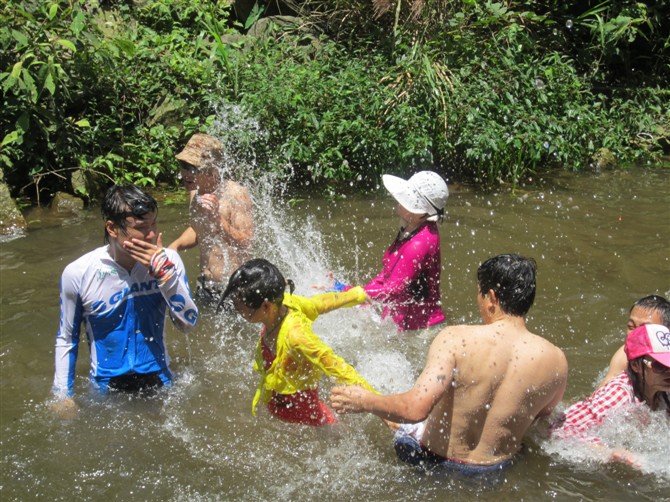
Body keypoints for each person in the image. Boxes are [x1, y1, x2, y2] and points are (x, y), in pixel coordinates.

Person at [330, 254, 568, 480]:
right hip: (496, 471)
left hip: (433, 463)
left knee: (386, 403)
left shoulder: (456, 339)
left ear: (492, 297)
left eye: (479, 294)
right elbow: (540, 420)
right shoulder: (556, 360)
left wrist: (364, 402)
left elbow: (415, 410)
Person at [51, 185, 198, 417]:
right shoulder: (79, 272)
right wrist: (62, 396)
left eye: (153, 225)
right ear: (112, 228)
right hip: (105, 388)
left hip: (160, 379)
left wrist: (166, 278)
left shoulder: (169, 261)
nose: (151, 235)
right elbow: (67, 339)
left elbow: (188, 325)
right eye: (141, 228)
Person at [218, 258, 377, 426]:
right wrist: (355, 295)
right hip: (280, 404)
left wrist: (379, 405)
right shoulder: (283, 303)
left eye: (241, 305)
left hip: (307, 415)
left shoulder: (296, 337)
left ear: (265, 307)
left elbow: (337, 367)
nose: (236, 308)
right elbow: (318, 304)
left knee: (333, 433)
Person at [331, 171, 448, 331]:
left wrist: (345, 293)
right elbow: (386, 276)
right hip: (406, 322)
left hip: (418, 331)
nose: (399, 200)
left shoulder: (419, 244)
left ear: (420, 212)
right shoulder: (413, 228)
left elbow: (392, 291)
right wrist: (354, 294)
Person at [551, 324, 670, 466]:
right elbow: (561, 429)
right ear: (635, 366)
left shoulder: (663, 392)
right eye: (660, 366)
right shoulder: (619, 394)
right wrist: (606, 453)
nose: (668, 371)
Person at [168, 133, 254, 304]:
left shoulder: (234, 194)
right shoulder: (195, 192)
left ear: (212, 169)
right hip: (205, 284)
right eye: (183, 165)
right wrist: (175, 246)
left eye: (193, 168)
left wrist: (218, 221)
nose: (185, 173)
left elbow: (247, 241)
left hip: (232, 287)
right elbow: (198, 228)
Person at [599, 295, 670, 387]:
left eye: (644, 328)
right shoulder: (624, 357)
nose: (635, 334)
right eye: (631, 327)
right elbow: (605, 388)